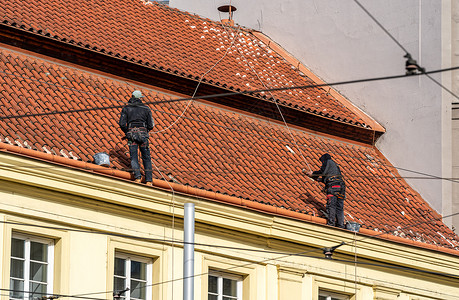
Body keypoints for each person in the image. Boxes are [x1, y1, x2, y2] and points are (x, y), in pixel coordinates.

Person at [119, 90, 154, 185]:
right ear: (140, 98)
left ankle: (138, 177)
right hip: (143, 135)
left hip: (131, 135)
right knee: (146, 157)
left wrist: (127, 132)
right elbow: (151, 125)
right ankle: (149, 180)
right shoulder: (146, 109)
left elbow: (122, 124)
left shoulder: (126, 109)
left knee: (134, 157)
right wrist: (145, 130)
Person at [306, 153, 346, 228]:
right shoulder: (335, 166)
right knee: (339, 207)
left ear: (324, 160)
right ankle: (340, 225)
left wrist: (313, 174)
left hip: (333, 187)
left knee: (332, 205)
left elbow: (322, 171)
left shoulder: (328, 162)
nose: (322, 163)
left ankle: (331, 223)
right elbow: (328, 178)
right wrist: (318, 179)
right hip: (341, 188)